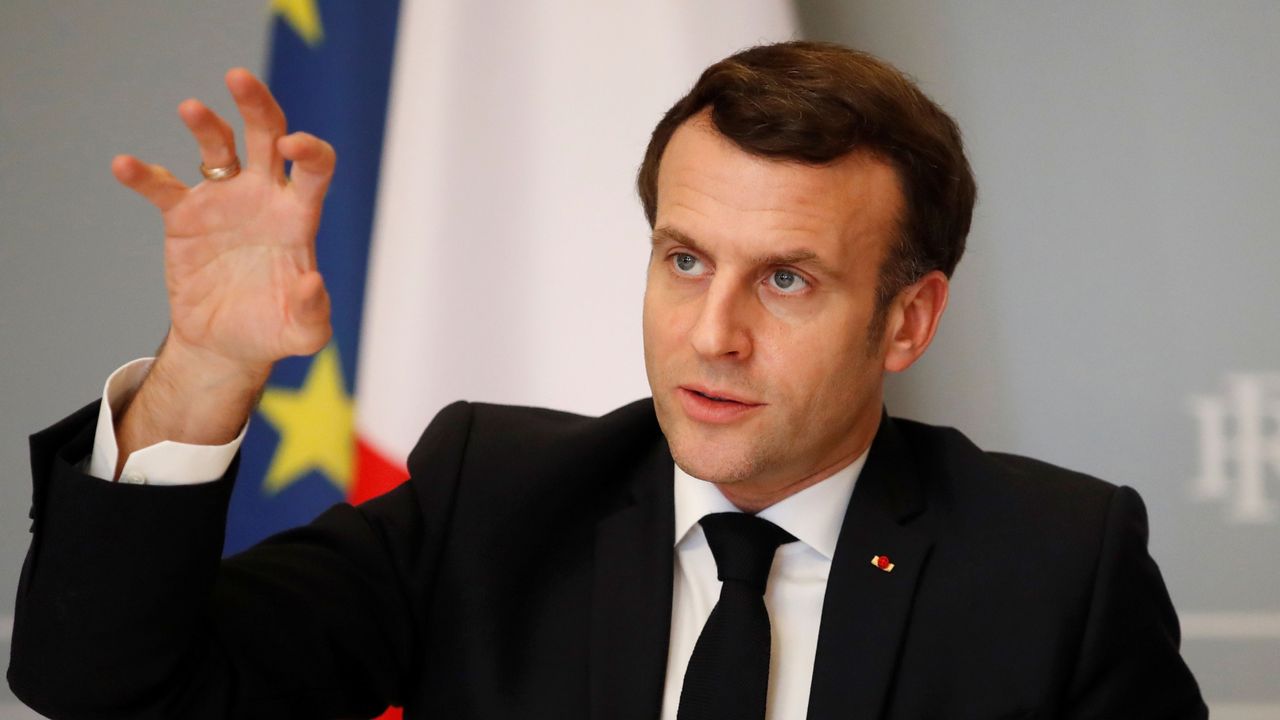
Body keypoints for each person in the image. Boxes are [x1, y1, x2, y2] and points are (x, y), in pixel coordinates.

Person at [8, 41, 1206, 719]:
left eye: (785, 281)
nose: (712, 334)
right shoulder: (495, 502)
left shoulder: (1053, 565)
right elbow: (106, 687)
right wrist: (209, 369)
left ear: (907, 320)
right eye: (683, 261)